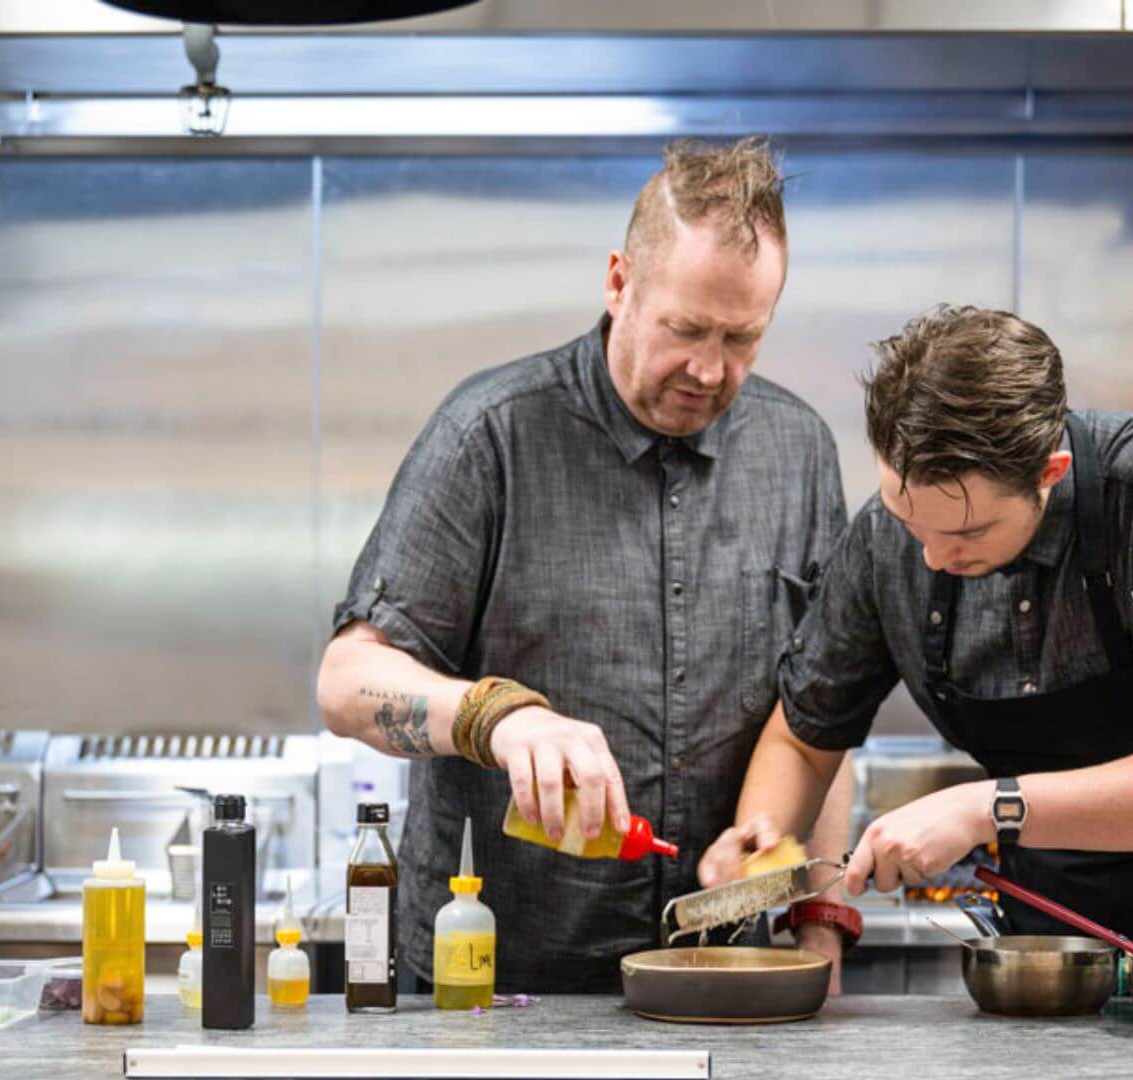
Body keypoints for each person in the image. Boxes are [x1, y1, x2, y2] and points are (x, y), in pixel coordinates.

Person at [317, 137, 853, 993]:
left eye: (743, 337)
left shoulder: (800, 453)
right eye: (684, 329)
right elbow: (347, 682)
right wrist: (499, 719)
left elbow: (821, 716)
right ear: (619, 282)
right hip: (490, 991)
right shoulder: (492, 434)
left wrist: (820, 928)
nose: (709, 369)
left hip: (721, 983)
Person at [702, 304, 1133, 950]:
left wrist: (987, 807)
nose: (931, 557)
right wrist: (761, 843)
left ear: (1049, 473)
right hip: (1054, 955)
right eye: (907, 518)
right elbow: (804, 738)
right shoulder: (885, 542)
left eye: (968, 532)